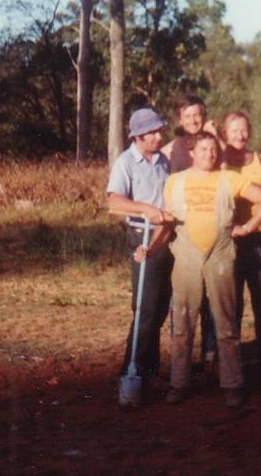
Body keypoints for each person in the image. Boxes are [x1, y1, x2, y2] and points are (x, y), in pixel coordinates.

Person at [150, 131, 261, 408]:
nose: (210, 154)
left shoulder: (229, 178)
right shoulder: (175, 181)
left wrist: (248, 227)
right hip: (186, 254)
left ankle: (232, 385)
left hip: (220, 253)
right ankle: (178, 383)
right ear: (192, 152)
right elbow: (166, 222)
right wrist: (149, 248)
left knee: (226, 323)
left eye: (213, 149)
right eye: (203, 149)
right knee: (182, 323)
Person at [106, 108, 173, 406]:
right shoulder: (125, 162)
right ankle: (129, 372)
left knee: (159, 308)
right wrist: (145, 208)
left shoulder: (163, 160)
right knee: (145, 307)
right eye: (153, 132)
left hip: (166, 235)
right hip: (142, 235)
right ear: (138, 135)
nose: (159, 136)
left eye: (160, 131)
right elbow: (114, 202)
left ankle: (150, 369)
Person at [161, 95, 219, 367]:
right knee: (182, 295)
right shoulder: (171, 149)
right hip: (182, 230)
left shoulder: (214, 145)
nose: (193, 120)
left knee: (211, 295)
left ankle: (210, 352)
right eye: (187, 116)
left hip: (212, 225)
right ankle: (180, 357)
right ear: (179, 120)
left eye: (197, 115)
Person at [220, 111, 261, 381]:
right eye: (233, 130)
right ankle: (232, 370)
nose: (239, 135)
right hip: (231, 242)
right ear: (224, 133)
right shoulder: (219, 163)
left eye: (243, 130)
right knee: (231, 307)